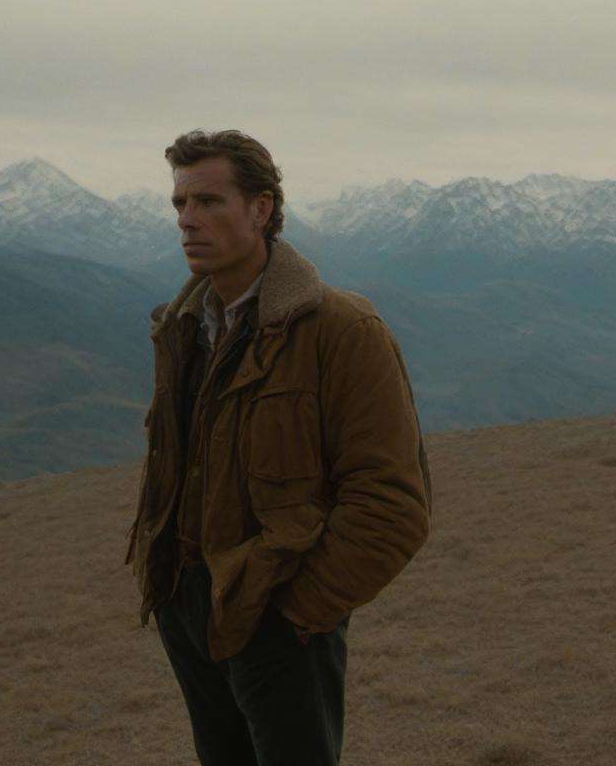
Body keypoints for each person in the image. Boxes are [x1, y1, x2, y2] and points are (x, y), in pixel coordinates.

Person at [124, 129, 433, 764]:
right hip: (191, 612)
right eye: (179, 204)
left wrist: (294, 617)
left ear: (261, 209)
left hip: (280, 620)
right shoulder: (184, 327)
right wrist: (174, 590)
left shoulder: (341, 331)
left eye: (208, 201)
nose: (187, 221)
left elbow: (392, 504)